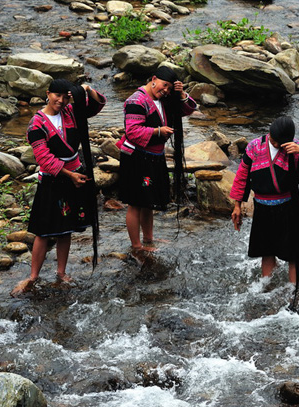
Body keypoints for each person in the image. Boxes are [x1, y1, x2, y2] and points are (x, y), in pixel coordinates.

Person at [12, 79, 106, 296]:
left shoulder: (71, 112)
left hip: (74, 173)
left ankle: (61, 272)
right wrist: (69, 174)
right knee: (43, 231)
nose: (61, 101)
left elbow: (97, 105)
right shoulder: (36, 124)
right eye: (57, 96)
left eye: (66, 97)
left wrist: (87, 89)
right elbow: (43, 157)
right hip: (53, 179)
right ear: (48, 94)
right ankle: (34, 275)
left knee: (66, 228)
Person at [230, 116, 299, 283]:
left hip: (289, 208)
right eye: (274, 141)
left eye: (280, 143)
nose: (276, 145)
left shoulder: (295, 149)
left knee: (294, 255)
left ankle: (294, 292)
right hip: (262, 207)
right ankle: (266, 289)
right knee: (267, 252)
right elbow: (242, 176)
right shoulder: (255, 147)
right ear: (269, 134)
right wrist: (237, 206)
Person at [116, 66, 196, 254]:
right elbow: (133, 131)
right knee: (136, 201)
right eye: (164, 85)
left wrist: (181, 92)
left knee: (147, 200)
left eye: (169, 88)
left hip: (153, 156)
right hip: (137, 158)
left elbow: (189, 109)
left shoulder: (165, 99)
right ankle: (137, 246)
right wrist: (157, 131)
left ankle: (148, 239)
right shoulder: (135, 101)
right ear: (153, 79)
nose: (165, 90)